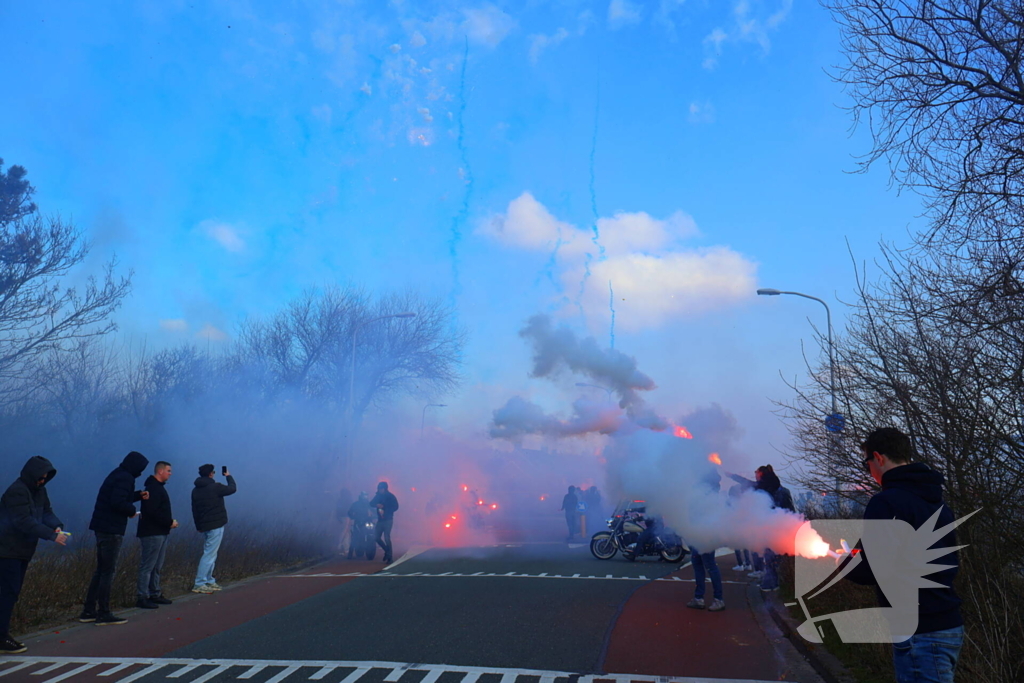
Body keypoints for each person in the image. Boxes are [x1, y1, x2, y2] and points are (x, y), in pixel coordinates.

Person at [846, 427, 965, 683]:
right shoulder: (936, 499)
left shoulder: (886, 502)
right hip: (948, 624)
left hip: (918, 633)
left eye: (867, 463)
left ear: (878, 458)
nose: (869, 470)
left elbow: (871, 569)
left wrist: (845, 561)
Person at [0, 457, 69, 653]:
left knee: (11, 593)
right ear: (32, 475)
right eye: (40, 477)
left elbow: (46, 512)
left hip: (22, 550)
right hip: (7, 550)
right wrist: (50, 535)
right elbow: (22, 521)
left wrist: (56, 526)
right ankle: (1, 637)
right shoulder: (17, 491)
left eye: (45, 478)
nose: (42, 481)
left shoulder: (40, 490)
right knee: (8, 593)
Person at [81, 451, 150, 626]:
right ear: (136, 466)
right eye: (141, 468)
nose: (141, 472)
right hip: (111, 529)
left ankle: (88, 610)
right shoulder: (126, 478)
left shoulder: (118, 474)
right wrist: (132, 511)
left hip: (102, 526)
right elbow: (118, 502)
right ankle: (103, 613)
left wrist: (137, 495)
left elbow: (119, 496)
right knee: (107, 572)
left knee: (101, 571)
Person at [136, 461, 178, 609]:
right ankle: (142, 597)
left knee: (156, 566)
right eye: (168, 471)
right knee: (148, 566)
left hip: (160, 532)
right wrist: (169, 522)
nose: (170, 473)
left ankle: (155, 593)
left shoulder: (157, 488)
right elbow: (151, 512)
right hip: (152, 533)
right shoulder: (153, 488)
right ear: (160, 471)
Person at [191, 464, 236, 594]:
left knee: (211, 553)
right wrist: (228, 476)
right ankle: (199, 583)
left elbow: (194, 509)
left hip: (204, 525)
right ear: (211, 473)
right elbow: (232, 489)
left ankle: (209, 580)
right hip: (216, 524)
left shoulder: (195, 490)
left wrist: (198, 526)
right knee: (209, 554)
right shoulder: (215, 487)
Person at [369, 482, 399, 564]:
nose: (380, 490)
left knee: (387, 537)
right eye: (379, 489)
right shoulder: (378, 496)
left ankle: (390, 557)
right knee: (376, 537)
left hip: (388, 520)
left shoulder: (391, 496)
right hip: (380, 520)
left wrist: (385, 507)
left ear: (385, 489)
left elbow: (396, 507)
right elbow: (371, 503)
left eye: (381, 489)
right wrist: (377, 504)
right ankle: (387, 551)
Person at [346, 491, 373, 560]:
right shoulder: (356, 504)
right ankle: (350, 554)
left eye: (366, 495)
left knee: (372, 532)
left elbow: (374, 510)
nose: (365, 497)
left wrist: (375, 516)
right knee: (354, 537)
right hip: (358, 522)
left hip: (367, 521)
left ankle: (371, 549)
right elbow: (350, 512)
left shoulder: (369, 504)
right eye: (364, 496)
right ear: (361, 496)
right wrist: (353, 517)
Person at [334, 488, 353, 555]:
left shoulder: (340, 500)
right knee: (346, 532)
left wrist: (337, 517)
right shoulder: (349, 500)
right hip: (347, 517)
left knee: (344, 531)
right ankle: (344, 547)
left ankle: (342, 547)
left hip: (341, 518)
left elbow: (337, 510)